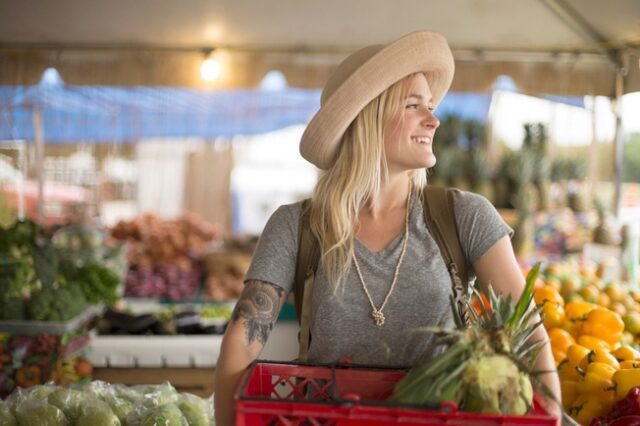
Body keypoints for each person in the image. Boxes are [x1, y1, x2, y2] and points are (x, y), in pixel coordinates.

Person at [213, 30, 562, 425]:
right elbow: (242, 341)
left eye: (430, 105)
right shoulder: (296, 226)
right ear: (368, 117)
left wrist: (552, 412)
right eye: (414, 105)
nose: (434, 119)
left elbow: (527, 330)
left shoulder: (464, 215)